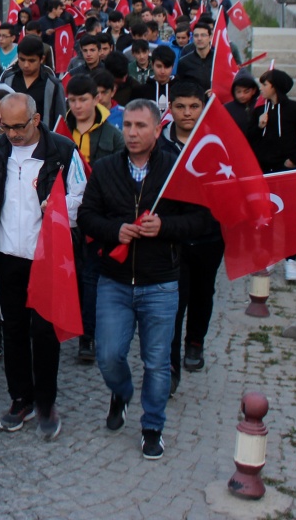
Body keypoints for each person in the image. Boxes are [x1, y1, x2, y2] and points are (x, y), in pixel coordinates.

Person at [77, 99, 214, 461]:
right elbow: (87, 215)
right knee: (108, 355)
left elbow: (202, 220)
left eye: (141, 126)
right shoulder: (106, 169)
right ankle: (121, 392)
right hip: (115, 280)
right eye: (128, 127)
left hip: (161, 282)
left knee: (156, 361)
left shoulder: (177, 170)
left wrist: (164, 227)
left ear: (157, 129)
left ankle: (152, 425)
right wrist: (113, 230)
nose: (133, 133)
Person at [0, 92, 85, 440]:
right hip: (8, 253)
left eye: (18, 126)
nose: (11, 133)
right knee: (12, 329)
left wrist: (56, 207)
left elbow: (81, 196)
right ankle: (20, 398)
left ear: (36, 119)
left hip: (46, 257)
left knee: (44, 332)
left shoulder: (62, 151)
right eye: (5, 126)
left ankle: (46, 401)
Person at [163, 82, 227, 391]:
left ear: (203, 108)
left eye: (194, 107)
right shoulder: (160, 145)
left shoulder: (218, 141)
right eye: (180, 107)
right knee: (174, 301)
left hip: (210, 234)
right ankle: (170, 365)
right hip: (173, 236)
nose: (187, 113)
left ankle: (196, 342)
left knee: (203, 293)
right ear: (170, 108)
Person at [63, 74, 121, 366]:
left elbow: (120, 174)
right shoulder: (61, 131)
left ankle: (87, 335)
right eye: (72, 101)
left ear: (96, 98)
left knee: (90, 276)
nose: (78, 106)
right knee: (67, 272)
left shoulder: (112, 134)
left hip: (98, 215)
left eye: (83, 100)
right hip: (66, 215)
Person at [255, 68, 296, 282]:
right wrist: (258, 125)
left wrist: (293, 160)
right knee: (267, 214)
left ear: (274, 87)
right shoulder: (261, 110)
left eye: (265, 84)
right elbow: (251, 139)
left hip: (286, 170)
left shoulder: (294, 109)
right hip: (265, 171)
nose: (261, 88)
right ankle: (269, 255)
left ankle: (291, 260)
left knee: (289, 216)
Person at [0, 36, 66, 130]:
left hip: (42, 140)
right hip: (12, 138)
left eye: (31, 61)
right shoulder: (7, 79)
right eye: (22, 60)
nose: (26, 65)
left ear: (41, 59)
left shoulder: (53, 85)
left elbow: (60, 120)